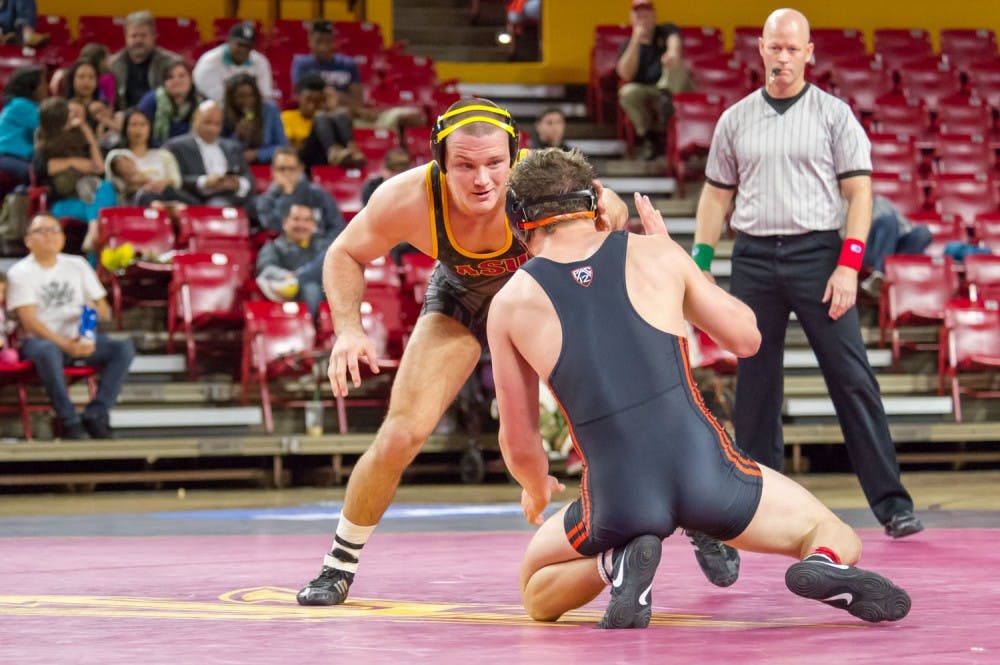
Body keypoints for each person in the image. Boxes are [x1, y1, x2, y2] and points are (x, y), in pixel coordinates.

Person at [487, 147, 911, 628]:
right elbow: (748, 339)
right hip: (708, 472)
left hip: (619, 494)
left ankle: (617, 562)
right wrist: (680, 270)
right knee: (829, 530)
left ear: (518, 221)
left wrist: (536, 487)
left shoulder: (510, 302)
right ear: (599, 200)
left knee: (535, 590)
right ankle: (822, 562)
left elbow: (518, 440)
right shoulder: (656, 253)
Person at [295, 98, 629, 607]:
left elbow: (616, 210)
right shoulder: (408, 196)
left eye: (495, 164)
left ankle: (689, 521)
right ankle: (338, 565)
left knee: (611, 421)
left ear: (516, 155)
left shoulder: (539, 183)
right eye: (464, 166)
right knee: (399, 434)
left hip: (538, 302)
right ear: (439, 161)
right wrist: (347, 329)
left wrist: (607, 219)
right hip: (463, 300)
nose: (482, 181)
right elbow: (344, 252)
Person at [692, 8, 924, 557]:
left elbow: (860, 195)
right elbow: (715, 196)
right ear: (761, 50)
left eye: (793, 49)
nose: (783, 57)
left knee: (851, 379)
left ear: (809, 54)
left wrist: (850, 264)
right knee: (755, 388)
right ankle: (758, 510)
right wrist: (701, 258)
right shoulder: (736, 118)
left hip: (819, 255)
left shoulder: (833, 115)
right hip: (752, 257)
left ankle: (893, 505)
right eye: (775, 47)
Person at [6, 213, 136, 439]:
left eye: (55, 230)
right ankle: (69, 420)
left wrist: (87, 326)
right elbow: (30, 322)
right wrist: (66, 345)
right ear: (28, 240)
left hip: (78, 338)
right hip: (40, 342)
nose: (50, 236)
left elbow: (104, 310)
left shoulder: (78, 264)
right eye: (42, 231)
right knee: (47, 350)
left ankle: (96, 413)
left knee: (122, 349)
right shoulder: (20, 272)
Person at [291, 19, 423, 132]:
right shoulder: (302, 64)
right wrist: (338, 101)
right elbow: (304, 101)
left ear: (334, 42)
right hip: (326, 120)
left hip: (356, 116)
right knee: (342, 116)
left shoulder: (347, 64)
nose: (324, 47)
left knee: (410, 116)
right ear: (310, 41)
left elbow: (357, 101)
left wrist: (332, 96)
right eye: (319, 41)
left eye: (328, 42)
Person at [33, 98, 117, 253]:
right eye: (69, 114)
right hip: (62, 203)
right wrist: (72, 162)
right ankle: (93, 238)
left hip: (87, 200)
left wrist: (87, 131)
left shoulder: (78, 138)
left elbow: (99, 167)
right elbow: (43, 169)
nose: (73, 118)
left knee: (105, 190)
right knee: (102, 215)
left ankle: (93, 234)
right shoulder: (43, 143)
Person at [616, 0, 694, 161]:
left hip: (675, 88)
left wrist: (671, 53)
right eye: (639, 15)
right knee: (627, 92)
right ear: (632, 18)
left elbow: (674, 44)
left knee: (676, 64)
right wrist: (635, 40)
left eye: (647, 14)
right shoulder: (627, 44)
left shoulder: (666, 30)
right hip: (648, 89)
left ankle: (667, 99)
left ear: (654, 16)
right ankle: (650, 136)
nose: (643, 18)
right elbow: (626, 74)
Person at [165, 100, 256, 207]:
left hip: (236, 196)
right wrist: (205, 182)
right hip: (197, 199)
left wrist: (239, 183)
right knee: (219, 204)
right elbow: (174, 179)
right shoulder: (176, 146)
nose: (212, 128)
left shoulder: (232, 147)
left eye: (217, 124)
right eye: (207, 122)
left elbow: (248, 176)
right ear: (195, 120)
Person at [256, 203, 336, 316]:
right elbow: (266, 270)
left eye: (307, 220)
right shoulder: (273, 247)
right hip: (289, 295)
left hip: (325, 292)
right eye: (296, 219)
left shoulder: (324, 247)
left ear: (314, 225)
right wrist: (287, 275)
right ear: (285, 222)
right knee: (310, 289)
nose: (301, 225)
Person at [253, 146, 345, 238]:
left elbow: (337, 228)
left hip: (319, 249)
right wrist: (288, 195)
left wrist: (322, 248)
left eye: (291, 169)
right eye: (281, 169)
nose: (286, 173)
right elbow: (277, 228)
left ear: (300, 170)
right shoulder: (265, 201)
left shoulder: (320, 195)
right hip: (283, 251)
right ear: (273, 171)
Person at [104, 108, 185, 207]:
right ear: (125, 128)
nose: (138, 129)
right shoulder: (117, 155)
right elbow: (117, 184)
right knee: (143, 196)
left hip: (164, 193)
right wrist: (142, 184)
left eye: (143, 125)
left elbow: (176, 181)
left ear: (150, 128)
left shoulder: (164, 155)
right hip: (135, 200)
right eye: (133, 125)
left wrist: (161, 183)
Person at [859, 195, 933, 298]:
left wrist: (890, 235)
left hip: (892, 246)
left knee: (923, 233)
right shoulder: (847, 202)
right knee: (888, 220)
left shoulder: (881, 201)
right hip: (865, 248)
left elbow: (906, 227)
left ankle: (886, 274)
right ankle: (879, 273)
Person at [109, 11, 181, 111]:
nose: (138, 40)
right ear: (126, 37)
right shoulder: (112, 65)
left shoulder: (172, 64)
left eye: (143, 35)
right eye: (134, 36)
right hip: (124, 120)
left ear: (153, 37)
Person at [193, 21, 274, 104]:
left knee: (269, 106)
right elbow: (219, 98)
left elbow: (265, 95)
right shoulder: (209, 62)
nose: (243, 50)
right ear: (229, 41)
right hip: (214, 109)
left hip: (250, 107)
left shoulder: (260, 61)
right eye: (239, 45)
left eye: (248, 46)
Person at [222, 73, 289, 165]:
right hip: (234, 166)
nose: (247, 100)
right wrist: (238, 136)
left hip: (267, 164)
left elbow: (283, 147)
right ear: (231, 99)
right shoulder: (222, 114)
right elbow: (218, 149)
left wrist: (257, 154)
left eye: (251, 95)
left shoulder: (270, 110)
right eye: (241, 96)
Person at [137, 59, 203, 147]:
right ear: (164, 82)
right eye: (170, 77)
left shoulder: (201, 104)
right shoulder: (151, 101)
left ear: (191, 79)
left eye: (182, 76)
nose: (176, 81)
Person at [0, 66, 47, 186]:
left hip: (17, 157)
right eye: (43, 83)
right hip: (6, 157)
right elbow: (50, 128)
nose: (46, 87)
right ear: (32, 87)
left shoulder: (21, 104)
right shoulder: (21, 105)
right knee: (37, 174)